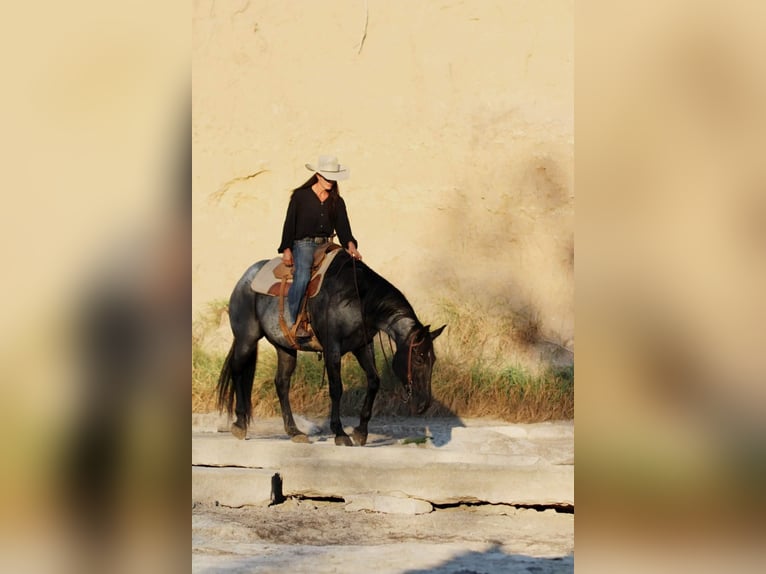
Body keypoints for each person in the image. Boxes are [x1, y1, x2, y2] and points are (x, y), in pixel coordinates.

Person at [278, 155, 362, 339]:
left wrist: (351, 246)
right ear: (317, 175)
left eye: (333, 178)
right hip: (304, 244)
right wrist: (286, 249)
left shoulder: (337, 201)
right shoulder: (300, 197)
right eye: (327, 177)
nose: (331, 181)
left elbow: (344, 229)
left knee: (347, 272)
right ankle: (295, 322)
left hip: (327, 244)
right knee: (302, 275)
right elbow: (289, 224)